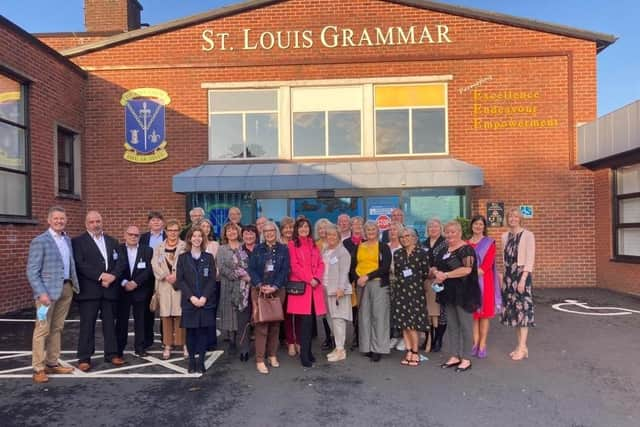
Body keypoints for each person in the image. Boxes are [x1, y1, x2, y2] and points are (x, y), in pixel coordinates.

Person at [26, 206, 79, 383]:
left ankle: (52, 363)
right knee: (42, 329)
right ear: (49, 221)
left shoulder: (67, 240)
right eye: (56, 218)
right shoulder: (40, 241)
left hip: (65, 289)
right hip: (46, 295)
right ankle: (38, 368)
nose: (59, 221)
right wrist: (41, 293)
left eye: (62, 218)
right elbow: (32, 271)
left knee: (57, 328)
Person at [72, 210, 124, 371]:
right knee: (87, 325)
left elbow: (120, 262)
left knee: (110, 324)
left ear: (102, 222)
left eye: (98, 221)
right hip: (89, 291)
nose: (96, 224)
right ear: (86, 224)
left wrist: (113, 276)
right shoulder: (78, 242)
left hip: (109, 290)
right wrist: (101, 276)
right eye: (92, 222)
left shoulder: (112, 241)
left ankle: (112, 354)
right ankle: (84, 357)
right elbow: (80, 264)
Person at [433, 220, 481, 373]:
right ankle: (454, 356)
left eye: (453, 232)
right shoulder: (444, 249)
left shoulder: (466, 250)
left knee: (466, 327)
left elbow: (467, 270)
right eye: (447, 232)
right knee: (452, 326)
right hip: (448, 293)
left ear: (460, 233)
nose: (450, 235)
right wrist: (436, 273)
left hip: (464, 294)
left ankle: (466, 358)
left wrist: (445, 275)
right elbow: (434, 265)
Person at [248, 221, 289, 374]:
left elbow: (285, 270)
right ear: (263, 234)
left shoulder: (283, 249)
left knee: (275, 325)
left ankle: (272, 355)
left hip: (277, 291)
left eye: (272, 230)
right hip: (259, 291)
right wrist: (260, 284)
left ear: (276, 232)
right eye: (266, 231)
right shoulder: (257, 249)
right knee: (261, 326)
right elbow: (251, 269)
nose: (269, 233)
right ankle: (260, 359)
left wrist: (274, 286)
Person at [176, 226, 217, 373]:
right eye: (194, 236)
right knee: (191, 333)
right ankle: (192, 361)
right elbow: (180, 281)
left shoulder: (208, 257)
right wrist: (192, 297)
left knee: (203, 333)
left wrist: (204, 297)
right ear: (189, 239)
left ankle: (201, 361)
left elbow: (212, 280)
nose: (197, 238)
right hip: (189, 302)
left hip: (205, 302)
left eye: (200, 236)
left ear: (203, 239)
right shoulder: (182, 258)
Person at [350, 220, 392, 362]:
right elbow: (352, 266)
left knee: (379, 316)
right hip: (361, 284)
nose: (371, 232)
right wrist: (358, 278)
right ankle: (366, 347)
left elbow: (385, 267)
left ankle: (378, 348)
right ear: (364, 232)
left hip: (378, 283)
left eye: (373, 230)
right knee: (364, 316)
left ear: (377, 231)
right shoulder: (358, 247)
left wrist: (368, 276)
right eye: (368, 230)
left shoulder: (383, 247)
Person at [287, 218, 326, 367]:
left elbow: (321, 263)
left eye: (306, 226)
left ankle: (308, 351)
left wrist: (317, 277)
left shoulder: (313, 244)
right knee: (304, 324)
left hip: (314, 289)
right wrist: (310, 279)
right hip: (302, 288)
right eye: (301, 227)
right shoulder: (292, 244)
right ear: (297, 229)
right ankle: (304, 356)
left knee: (310, 324)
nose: (304, 229)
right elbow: (294, 266)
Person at [501, 207, 535, 361]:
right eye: (510, 216)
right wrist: (504, 279)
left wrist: (522, 279)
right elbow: (505, 260)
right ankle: (520, 345)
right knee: (515, 312)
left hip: (522, 276)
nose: (512, 219)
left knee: (524, 312)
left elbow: (530, 259)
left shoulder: (528, 235)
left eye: (515, 216)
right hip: (509, 277)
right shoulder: (504, 236)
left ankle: (522, 347)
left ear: (520, 218)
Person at [392, 227, 430, 366]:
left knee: (413, 324)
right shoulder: (397, 254)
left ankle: (415, 352)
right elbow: (397, 272)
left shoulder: (421, 253)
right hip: (401, 291)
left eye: (407, 236)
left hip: (415, 292)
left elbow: (425, 272)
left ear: (414, 237)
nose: (404, 239)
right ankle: (408, 350)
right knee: (404, 324)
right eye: (401, 237)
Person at [115, 225, 154, 358]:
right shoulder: (117, 249)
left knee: (141, 320)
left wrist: (136, 283)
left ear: (139, 237)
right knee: (121, 321)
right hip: (122, 290)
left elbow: (149, 270)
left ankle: (140, 347)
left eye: (136, 235)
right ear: (125, 235)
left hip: (141, 290)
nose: (133, 237)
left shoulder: (147, 250)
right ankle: (119, 348)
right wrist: (124, 282)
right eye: (130, 234)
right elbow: (114, 268)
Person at [152, 219, 188, 360]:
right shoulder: (158, 247)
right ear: (165, 231)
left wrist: (177, 276)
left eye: (175, 230)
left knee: (180, 315)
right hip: (164, 285)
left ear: (179, 231)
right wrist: (165, 275)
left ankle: (183, 344)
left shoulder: (185, 246)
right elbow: (154, 264)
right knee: (166, 316)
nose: (173, 233)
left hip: (180, 285)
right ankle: (167, 345)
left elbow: (188, 264)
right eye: (170, 230)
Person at [467, 215, 501, 359]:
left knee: (484, 315)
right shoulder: (466, 244)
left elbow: (487, 265)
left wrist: (470, 273)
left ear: (484, 227)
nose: (478, 226)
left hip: (485, 282)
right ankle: (475, 343)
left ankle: (482, 344)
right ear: (472, 226)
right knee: (474, 315)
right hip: (470, 283)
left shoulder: (490, 243)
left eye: (481, 224)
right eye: (476, 224)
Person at [217, 221, 250, 357]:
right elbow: (221, 266)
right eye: (228, 230)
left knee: (241, 312)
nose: (231, 232)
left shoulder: (243, 247)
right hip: (227, 284)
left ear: (238, 232)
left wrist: (242, 276)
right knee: (229, 312)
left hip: (243, 285)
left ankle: (241, 339)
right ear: (225, 234)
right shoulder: (222, 249)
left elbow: (247, 264)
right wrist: (234, 275)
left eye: (234, 230)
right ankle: (231, 341)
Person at [321, 224, 352, 362]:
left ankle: (341, 350)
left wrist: (341, 288)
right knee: (330, 319)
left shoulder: (343, 252)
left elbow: (344, 272)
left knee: (338, 320)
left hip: (338, 290)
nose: (331, 237)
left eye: (334, 235)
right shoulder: (326, 250)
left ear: (339, 236)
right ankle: (337, 347)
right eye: (329, 235)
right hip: (326, 289)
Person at [139, 210, 166, 349]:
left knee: (164, 310)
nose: (156, 222)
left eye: (159, 220)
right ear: (149, 223)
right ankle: (147, 339)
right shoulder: (143, 238)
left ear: (163, 222)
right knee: (147, 309)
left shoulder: (168, 236)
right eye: (153, 220)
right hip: (146, 277)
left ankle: (164, 338)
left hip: (163, 277)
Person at [423, 218, 448, 353]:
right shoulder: (423, 244)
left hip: (441, 281)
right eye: (430, 226)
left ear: (441, 228)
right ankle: (429, 339)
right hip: (427, 281)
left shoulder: (445, 243)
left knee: (440, 313)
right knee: (428, 312)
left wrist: (436, 270)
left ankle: (438, 340)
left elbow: (448, 260)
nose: (433, 229)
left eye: (436, 227)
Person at [197, 218, 220, 351]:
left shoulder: (215, 245)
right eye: (203, 226)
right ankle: (200, 341)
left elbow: (217, 264)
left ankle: (211, 342)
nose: (205, 228)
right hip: (197, 283)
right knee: (199, 313)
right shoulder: (194, 244)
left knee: (210, 312)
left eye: (207, 227)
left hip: (212, 283)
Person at [279, 216, 299, 356]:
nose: (288, 230)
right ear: (281, 229)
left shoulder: (298, 243)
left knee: (298, 314)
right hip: (282, 283)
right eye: (286, 227)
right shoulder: (278, 244)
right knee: (286, 315)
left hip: (298, 283)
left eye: (291, 227)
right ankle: (290, 342)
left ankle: (298, 342)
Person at [343, 216, 364, 350]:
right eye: (354, 224)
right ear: (350, 227)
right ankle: (357, 336)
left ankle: (364, 336)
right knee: (354, 310)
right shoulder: (345, 243)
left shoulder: (368, 241)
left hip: (365, 280)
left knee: (365, 310)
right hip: (351, 281)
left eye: (359, 224)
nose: (357, 226)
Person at [314, 217, 333, 350]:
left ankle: (336, 338)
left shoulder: (335, 243)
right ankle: (328, 337)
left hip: (333, 281)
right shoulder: (315, 245)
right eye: (320, 228)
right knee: (324, 313)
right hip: (320, 283)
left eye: (325, 228)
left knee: (335, 313)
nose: (322, 230)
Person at [387, 221, 404, 351]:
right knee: (391, 310)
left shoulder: (403, 247)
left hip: (400, 282)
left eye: (395, 229)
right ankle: (394, 335)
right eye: (390, 229)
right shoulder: (385, 246)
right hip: (387, 282)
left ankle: (403, 338)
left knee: (401, 309)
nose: (392, 232)